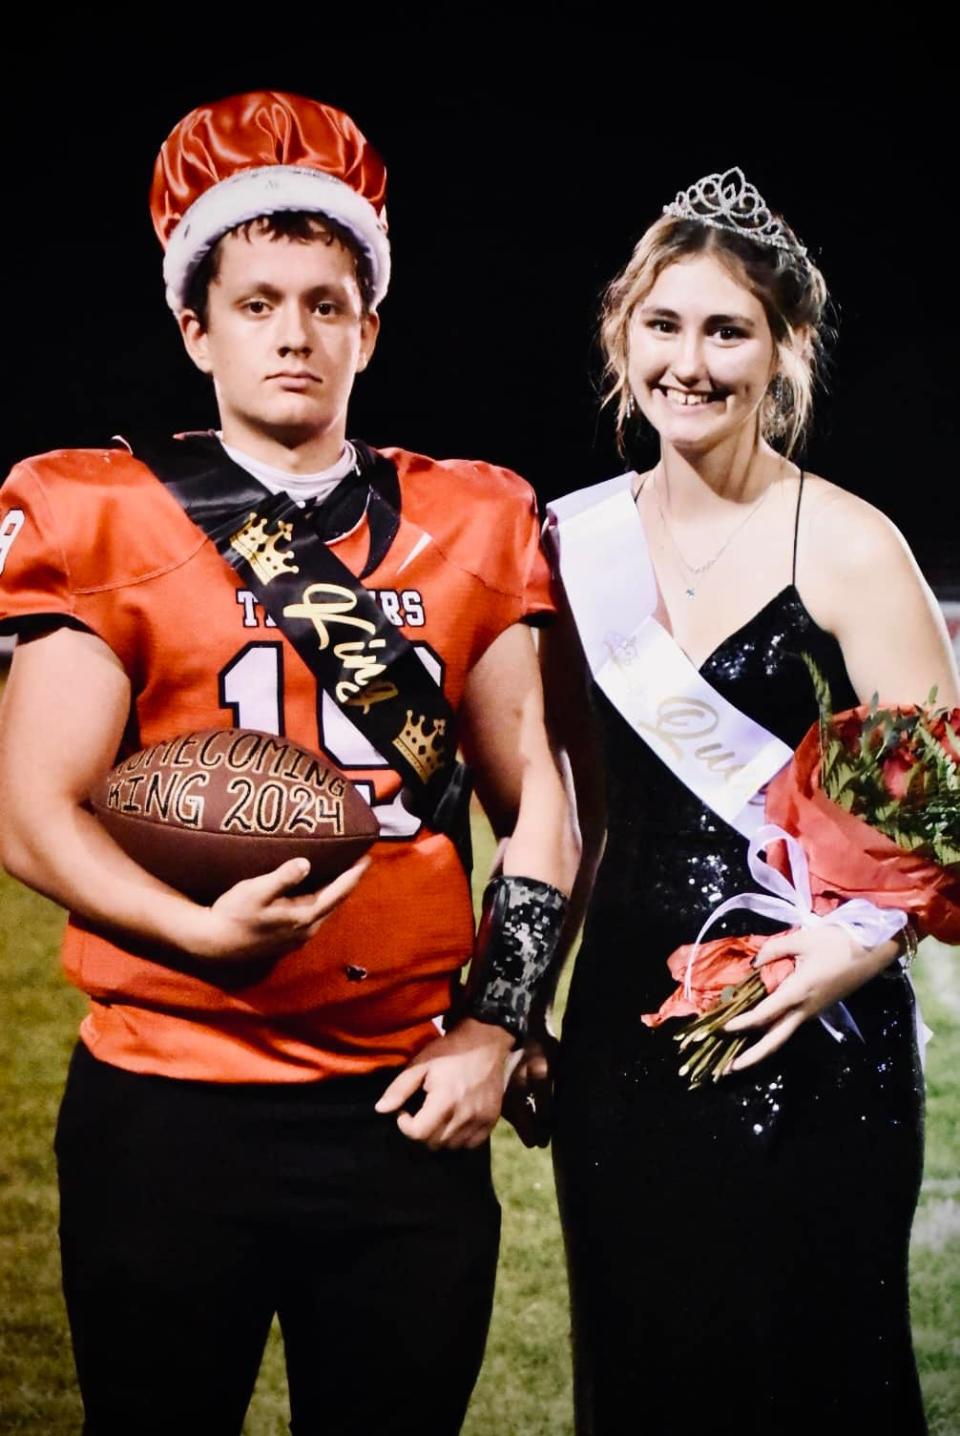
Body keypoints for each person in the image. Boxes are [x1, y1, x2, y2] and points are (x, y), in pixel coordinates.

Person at [0, 91, 575, 1436]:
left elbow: (538, 798)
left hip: (404, 1104)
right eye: (257, 302)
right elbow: (32, 811)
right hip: (168, 1099)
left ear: (369, 326)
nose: (296, 335)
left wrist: (498, 1022)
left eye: (327, 303)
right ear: (194, 325)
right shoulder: (107, 513)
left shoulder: (472, 518)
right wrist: (188, 924)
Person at [510, 168, 960, 1434]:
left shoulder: (852, 543)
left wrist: (851, 949)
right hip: (625, 1032)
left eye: (727, 330)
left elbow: (936, 822)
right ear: (622, 332)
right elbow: (571, 808)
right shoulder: (571, 541)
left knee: (816, 1370)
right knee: (646, 1367)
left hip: (821, 1032)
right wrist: (528, 1004)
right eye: (665, 325)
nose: (690, 361)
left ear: (785, 349)